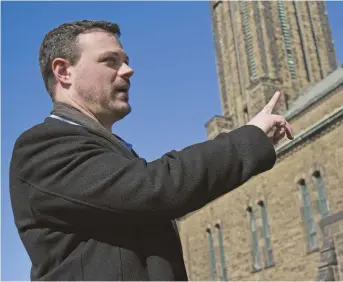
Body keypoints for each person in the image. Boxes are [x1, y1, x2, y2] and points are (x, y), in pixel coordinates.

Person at [9, 20, 293, 281]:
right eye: (110, 61)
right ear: (63, 71)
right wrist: (249, 139)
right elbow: (156, 186)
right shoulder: (44, 148)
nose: (128, 70)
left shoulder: (111, 152)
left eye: (126, 61)